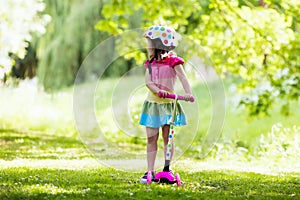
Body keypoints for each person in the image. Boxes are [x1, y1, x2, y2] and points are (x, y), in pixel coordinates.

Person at [139, 25, 193, 184]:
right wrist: (157, 90)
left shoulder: (174, 62)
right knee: (151, 137)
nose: (147, 46)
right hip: (153, 105)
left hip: (169, 105)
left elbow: (183, 78)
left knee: (167, 137)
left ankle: (167, 168)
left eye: (149, 43)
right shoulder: (150, 63)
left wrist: (188, 93)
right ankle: (150, 170)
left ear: (158, 45)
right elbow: (148, 82)